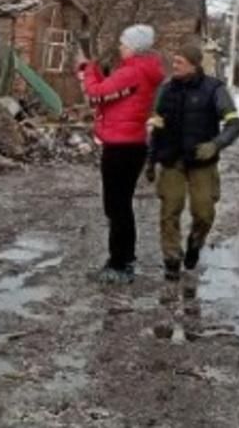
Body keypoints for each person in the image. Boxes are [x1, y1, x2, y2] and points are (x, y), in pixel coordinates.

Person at [76, 24, 165, 284]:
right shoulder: (141, 71)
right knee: (119, 206)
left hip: (122, 146)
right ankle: (122, 259)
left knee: (116, 206)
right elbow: (111, 94)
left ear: (135, 48)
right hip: (129, 144)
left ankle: (120, 263)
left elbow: (96, 95)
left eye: (124, 44)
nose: (120, 47)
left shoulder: (132, 72)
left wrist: (87, 70)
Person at [147, 43, 239, 281]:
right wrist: (150, 160)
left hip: (202, 162)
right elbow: (157, 129)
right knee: (169, 211)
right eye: (174, 61)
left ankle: (195, 242)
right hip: (171, 161)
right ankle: (171, 258)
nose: (174, 66)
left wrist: (216, 144)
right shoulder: (166, 90)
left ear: (194, 64)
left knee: (203, 212)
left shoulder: (214, 90)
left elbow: (235, 124)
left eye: (179, 62)